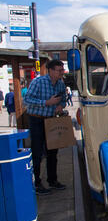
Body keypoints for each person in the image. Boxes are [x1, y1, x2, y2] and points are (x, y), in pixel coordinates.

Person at [24, 60, 67, 195]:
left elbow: (64, 98)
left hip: (51, 121)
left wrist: (61, 105)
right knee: (37, 153)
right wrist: (46, 103)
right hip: (36, 120)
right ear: (51, 70)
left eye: (62, 70)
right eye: (59, 70)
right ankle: (36, 183)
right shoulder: (38, 82)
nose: (62, 72)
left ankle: (52, 180)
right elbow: (27, 100)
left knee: (52, 152)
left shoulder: (60, 84)